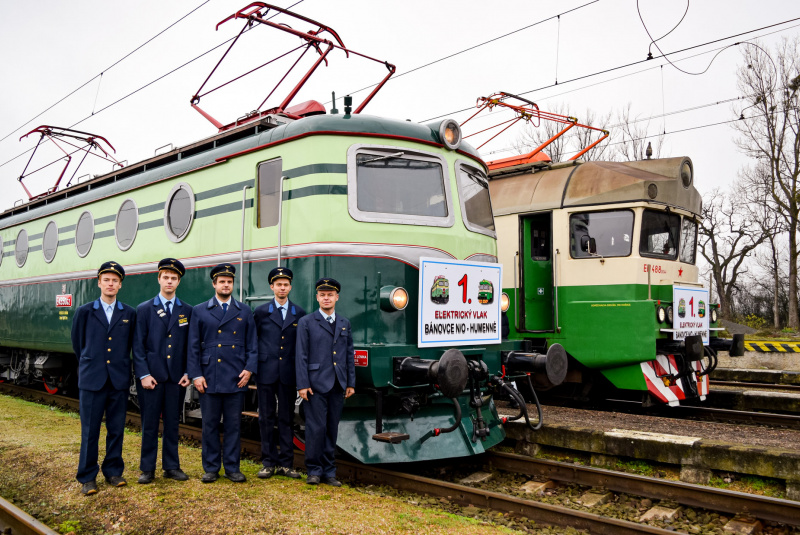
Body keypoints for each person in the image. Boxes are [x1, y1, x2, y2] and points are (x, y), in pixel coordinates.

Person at [187, 263, 257, 483]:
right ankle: (210, 467)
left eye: (229, 282)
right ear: (214, 284)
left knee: (234, 425)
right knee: (209, 424)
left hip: (236, 376)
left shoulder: (244, 311)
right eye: (222, 282)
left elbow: (253, 345)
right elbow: (193, 346)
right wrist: (196, 375)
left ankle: (232, 468)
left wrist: (249, 369)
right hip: (209, 376)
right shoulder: (199, 310)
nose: (226, 285)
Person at [71, 261, 136, 496]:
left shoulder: (128, 313)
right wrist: (93, 365)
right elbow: (79, 345)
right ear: (99, 283)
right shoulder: (85, 312)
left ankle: (113, 471)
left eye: (115, 280)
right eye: (106, 280)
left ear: (120, 285)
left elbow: (130, 345)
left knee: (116, 428)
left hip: (117, 381)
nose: (110, 284)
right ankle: (87, 477)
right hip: (92, 380)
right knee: (90, 430)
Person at [132, 258, 192, 484]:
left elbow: (190, 346)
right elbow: (138, 346)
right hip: (152, 378)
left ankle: (171, 466)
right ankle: (147, 468)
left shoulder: (187, 310)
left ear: (178, 282)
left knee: (172, 424)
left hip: (176, 379)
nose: (169, 281)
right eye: (166, 277)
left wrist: (188, 371)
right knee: (149, 424)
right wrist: (144, 374)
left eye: (174, 278)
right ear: (159, 279)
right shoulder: (145, 309)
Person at [296, 278, 355, 487]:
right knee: (315, 429)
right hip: (314, 384)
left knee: (332, 429)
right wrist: (302, 384)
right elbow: (301, 355)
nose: (326, 298)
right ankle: (313, 470)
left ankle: (329, 471)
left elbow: (349, 355)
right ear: (317, 298)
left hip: (338, 384)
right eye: (322, 295)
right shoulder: (307, 322)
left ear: (337, 297)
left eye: (330, 295)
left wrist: (350, 382)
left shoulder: (344, 323)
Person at [254, 267, 306, 479]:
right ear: (272, 287)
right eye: (278, 284)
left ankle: (286, 464)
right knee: (265, 418)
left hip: (287, 374)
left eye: (286, 284)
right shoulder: (260, 312)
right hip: (266, 372)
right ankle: (268, 462)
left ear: (290, 287)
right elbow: (253, 342)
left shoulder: (299, 313)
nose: (282, 288)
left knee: (286, 419)